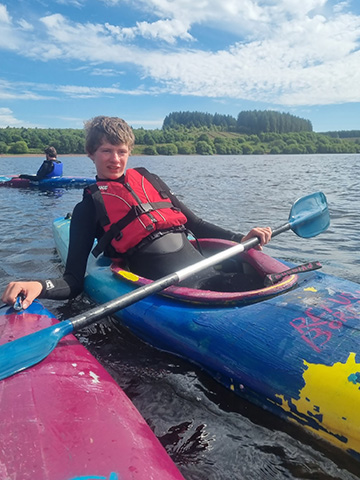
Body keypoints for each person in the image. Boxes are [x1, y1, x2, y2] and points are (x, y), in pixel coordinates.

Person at [2, 116, 272, 310]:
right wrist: (39, 285)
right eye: (106, 151)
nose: (115, 159)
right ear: (90, 154)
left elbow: (196, 224)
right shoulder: (87, 208)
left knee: (252, 281)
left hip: (209, 272)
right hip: (175, 293)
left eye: (121, 151)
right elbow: (73, 280)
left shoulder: (150, 180)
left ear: (129, 152)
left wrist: (240, 237)